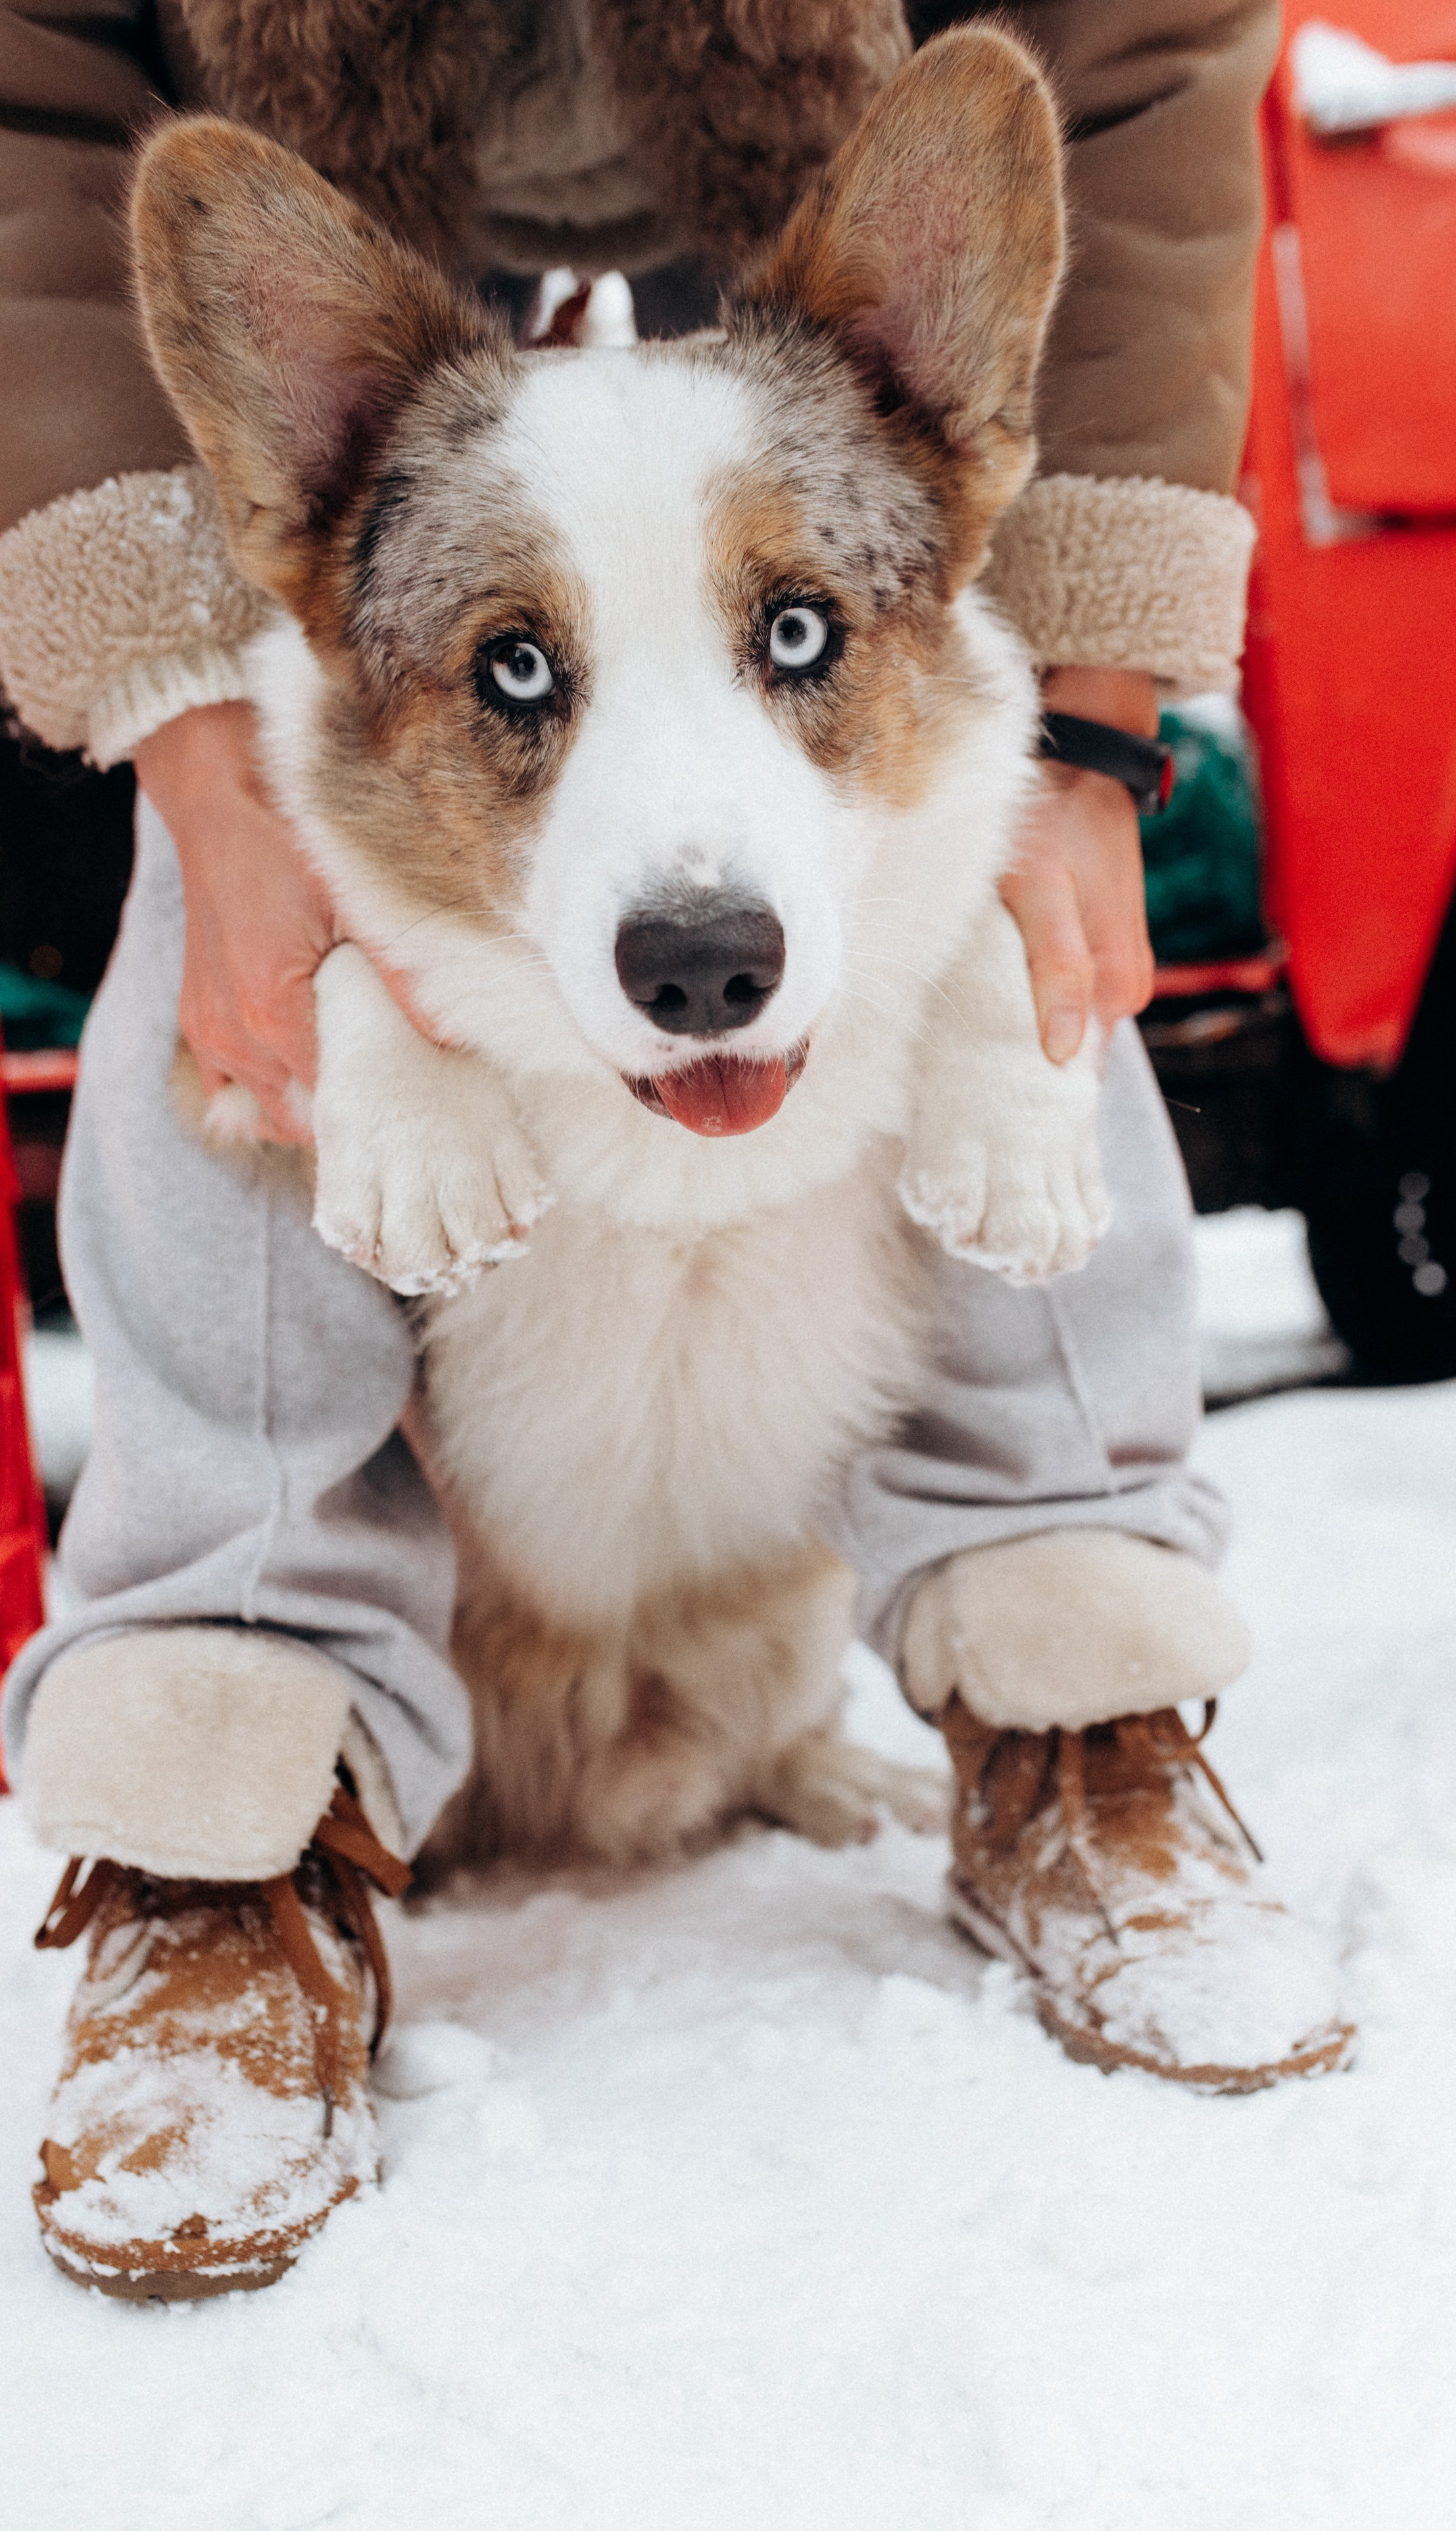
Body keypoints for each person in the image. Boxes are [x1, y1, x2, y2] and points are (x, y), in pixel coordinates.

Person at [0, 0, 1350, 2299]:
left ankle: (1081, 1687)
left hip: (821, 121)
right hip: (321, 170)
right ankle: (226, 1791)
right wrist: (199, 757)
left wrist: (1098, 743)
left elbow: (1133, 42)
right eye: (524, 674)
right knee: (212, 930)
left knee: (996, 885)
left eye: (792, 628)